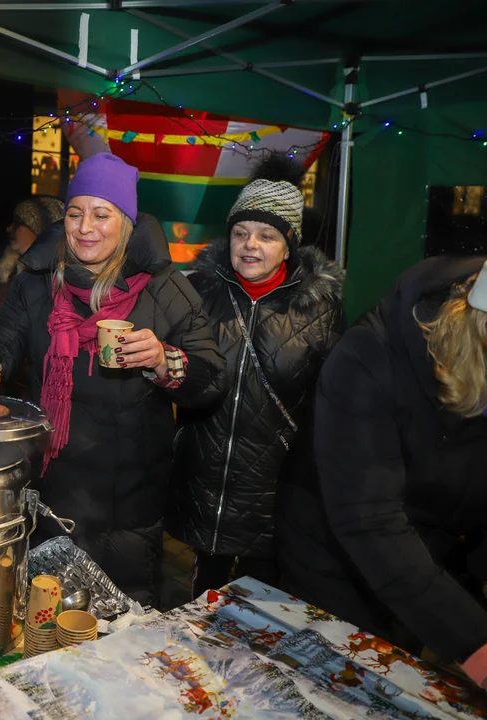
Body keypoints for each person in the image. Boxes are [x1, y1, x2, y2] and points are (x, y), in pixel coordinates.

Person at [0, 153, 225, 604]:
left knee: (122, 621)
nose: (85, 227)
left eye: (102, 215)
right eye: (76, 213)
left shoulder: (164, 288)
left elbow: (213, 376)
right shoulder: (39, 281)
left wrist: (162, 360)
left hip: (129, 500)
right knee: (45, 615)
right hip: (52, 483)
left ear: (126, 223)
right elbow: (2, 333)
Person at [277, 248, 487, 714]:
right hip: (334, 552)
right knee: (337, 693)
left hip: (425, 558)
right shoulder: (371, 355)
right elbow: (370, 520)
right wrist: (485, 653)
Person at [169, 155, 344, 595]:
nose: (250, 245)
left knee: (262, 607)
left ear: (289, 244)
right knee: (201, 603)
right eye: (241, 233)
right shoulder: (199, 293)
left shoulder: (318, 309)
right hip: (205, 478)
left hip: (274, 487)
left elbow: (332, 403)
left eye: (266, 236)